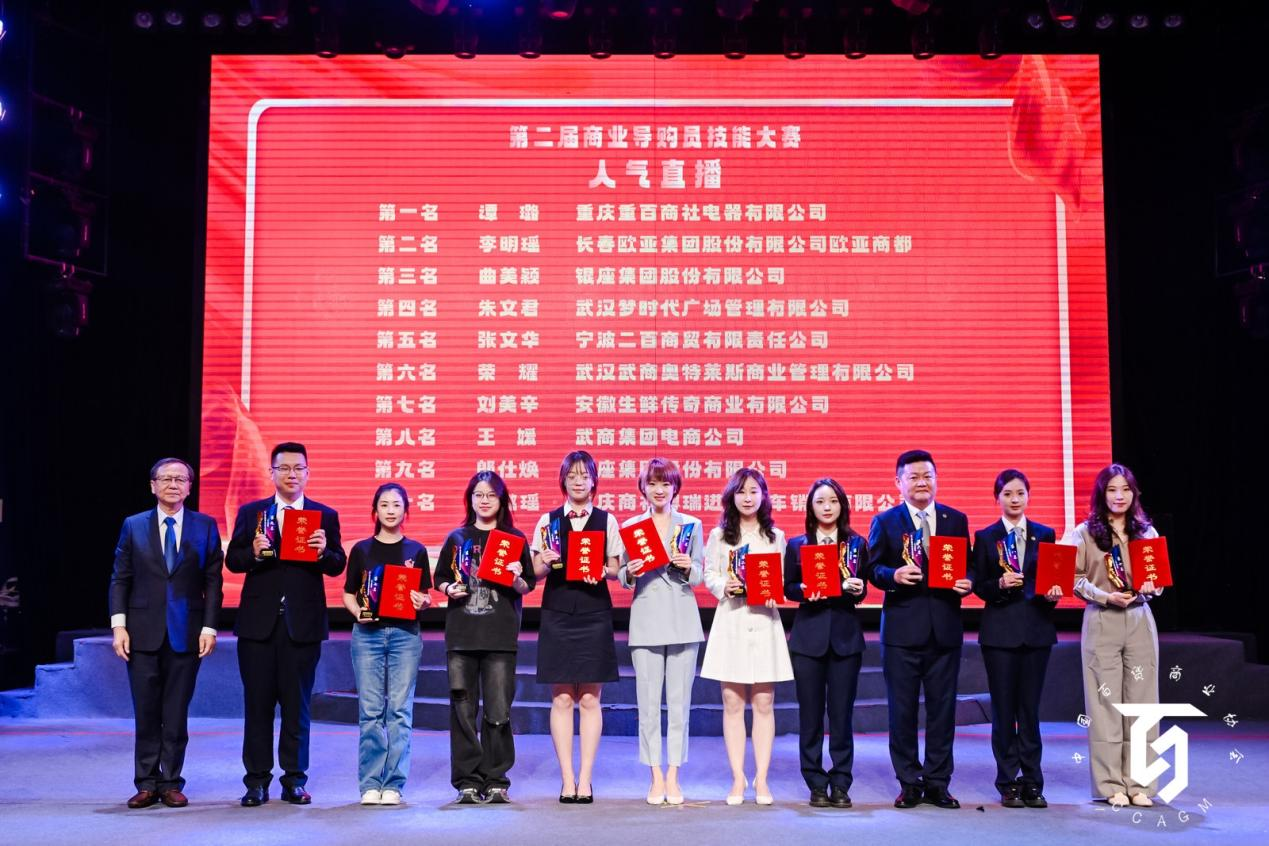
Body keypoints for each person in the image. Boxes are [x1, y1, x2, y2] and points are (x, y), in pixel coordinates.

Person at [226, 441, 345, 807]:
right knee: (257, 707)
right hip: (257, 627)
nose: (291, 474)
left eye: (298, 468)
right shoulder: (252, 513)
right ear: (272, 473)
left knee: (297, 707)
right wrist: (253, 552)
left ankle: (294, 779)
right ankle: (256, 781)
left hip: (302, 626)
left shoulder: (324, 515)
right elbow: (233, 561)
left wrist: (323, 552)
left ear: (308, 473)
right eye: (284, 468)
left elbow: (337, 564)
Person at [109, 458, 224, 809]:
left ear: (189, 487)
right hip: (141, 633)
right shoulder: (133, 525)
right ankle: (146, 783)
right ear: (153, 486)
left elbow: (213, 581)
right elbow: (120, 578)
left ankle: (171, 782)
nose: (173, 484)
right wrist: (118, 625)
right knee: (146, 711)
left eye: (180, 479)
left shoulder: (205, 525)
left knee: (175, 713)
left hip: (187, 632)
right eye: (166, 479)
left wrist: (209, 627)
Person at [862, 449, 972, 810]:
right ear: (899, 482)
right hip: (901, 632)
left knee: (943, 711)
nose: (922, 482)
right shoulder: (885, 521)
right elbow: (872, 568)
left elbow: (968, 565)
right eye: (913, 477)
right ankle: (909, 782)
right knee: (902, 711)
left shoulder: (955, 519)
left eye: (928, 476)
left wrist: (968, 581)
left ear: (936, 479)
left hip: (945, 629)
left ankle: (938, 782)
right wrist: (893, 575)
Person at [1065, 463, 1163, 808]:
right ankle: (1109, 785)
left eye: (1125, 489)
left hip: (1138, 618)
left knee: (1143, 702)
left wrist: (1151, 587)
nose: (1119, 496)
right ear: (1101, 494)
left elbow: (1158, 578)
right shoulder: (1083, 533)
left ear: (1134, 493)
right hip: (1102, 618)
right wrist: (1105, 596)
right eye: (1112, 490)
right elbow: (1073, 578)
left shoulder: (1146, 533)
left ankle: (1141, 784)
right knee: (1104, 703)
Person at [434, 471, 536, 805]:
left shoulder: (514, 539)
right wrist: (449, 588)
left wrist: (516, 577)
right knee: (462, 711)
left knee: (498, 711)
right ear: (470, 499)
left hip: (500, 638)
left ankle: (496, 780)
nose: (484, 500)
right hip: (461, 638)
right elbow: (441, 579)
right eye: (478, 494)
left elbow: (526, 586)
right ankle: (466, 780)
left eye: (491, 494)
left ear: (501, 500)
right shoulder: (457, 538)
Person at [530, 450, 622, 804]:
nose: (579, 482)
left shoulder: (606, 520)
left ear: (594, 481)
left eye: (585, 476)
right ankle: (567, 779)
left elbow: (615, 567)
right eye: (572, 476)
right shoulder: (549, 520)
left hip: (594, 612)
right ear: (563, 481)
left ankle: (586, 780)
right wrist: (544, 561)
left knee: (589, 697)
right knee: (562, 697)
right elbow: (535, 572)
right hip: (557, 612)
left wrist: (604, 570)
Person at [700, 468, 793, 806]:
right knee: (733, 701)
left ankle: (762, 778)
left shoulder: (776, 536)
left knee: (764, 702)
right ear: (731, 497)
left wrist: (775, 592)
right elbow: (710, 573)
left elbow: (782, 577)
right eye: (741, 492)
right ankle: (738, 777)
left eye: (754, 491)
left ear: (764, 496)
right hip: (732, 620)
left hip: (765, 621)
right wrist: (722, 585)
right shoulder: (719, 535)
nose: (748, 498)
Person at [617, 458, 705, 806]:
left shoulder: (691, 525)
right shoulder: (632, 526)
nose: (659, 490)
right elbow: (623, 575)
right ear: (643, 488)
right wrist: (630, 570)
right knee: (649, 704)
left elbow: (699, 574)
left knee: (680, 704)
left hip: (683, 618)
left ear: (675, 488)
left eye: (666, 483)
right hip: (646, 620)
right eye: (652, 483)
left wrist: (689, 567)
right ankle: (655, 774)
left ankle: (673, 775)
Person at [971, 469, 1061, 809]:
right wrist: (998, 585)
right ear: (997, 498)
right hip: (999, 634)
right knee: (1004, 709)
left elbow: (1051, 581)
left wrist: (1052, 594)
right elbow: (979, 586)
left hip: (1036, 632)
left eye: (1020, 493)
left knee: (1030, 711)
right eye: (1007, 493)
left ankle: (1033, 782)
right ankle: (1008, 782)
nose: (1014, 499)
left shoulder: (1045, 534)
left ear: (1028, 496)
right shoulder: (985, 536)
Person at [341, 483, 431, 806]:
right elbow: (349, 593)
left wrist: (422, 601)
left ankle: (393, 783)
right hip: (368, 636)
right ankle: (370, 783)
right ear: (375, 510)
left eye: (396, 505)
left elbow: (424, 596)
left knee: (399, 711)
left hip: (406, 636)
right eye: (384, 504)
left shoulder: (416, 551)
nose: (391, 510)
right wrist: (357, 612)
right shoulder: (361, 550)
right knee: (370, 711)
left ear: (406, 511)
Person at [783, 478, 868, 809]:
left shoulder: (856, 543)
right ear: (810, 507)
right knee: (811, 716)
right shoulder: (797, 545)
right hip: (808, 640)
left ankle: (841, 782)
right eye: (820, 501)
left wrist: (858, 588)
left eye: (833, 500)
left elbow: (862, 588)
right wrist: (804, 590)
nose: (827, 507)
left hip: (846, 639)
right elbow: (789, 587)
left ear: (842, 505)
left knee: (842, 715)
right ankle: (816, 782)